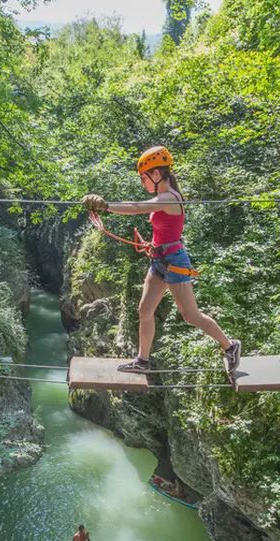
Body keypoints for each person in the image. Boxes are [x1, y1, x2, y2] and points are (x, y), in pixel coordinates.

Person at [83, 146, 240, 374]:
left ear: (156, 175)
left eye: (143, 178)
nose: (142, 183)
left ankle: (230, 346)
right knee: (145, 310)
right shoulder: (164, 197)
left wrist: (105, 206)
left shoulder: (169, 198)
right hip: (160, 259)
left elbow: (137, 208)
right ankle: (142, 361)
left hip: (174, 261)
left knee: (190, 315)